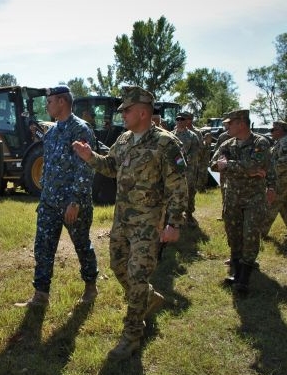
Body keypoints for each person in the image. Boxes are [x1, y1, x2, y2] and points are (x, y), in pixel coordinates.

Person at [72, 86, 188, 360]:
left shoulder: (166, 143)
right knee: (117, 266)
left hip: (149, 224)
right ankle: (147, 298)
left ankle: (132, 335)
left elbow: (178, 185)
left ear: (143, 111)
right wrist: (90, 157)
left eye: (126, 109)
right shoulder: (123, 140)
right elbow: (110, 167)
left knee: (136, 275)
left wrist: (174, 223)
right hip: (122, 219)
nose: (122, 113)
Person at [15, 85, 99, 307]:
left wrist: (75, 202)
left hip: (72, 203)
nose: (47, 105)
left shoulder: (81, 130)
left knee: (82, 245)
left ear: (62, 101)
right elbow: (49, 165)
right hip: (49, 203)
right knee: (43, 248)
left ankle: (91, 287)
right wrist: (43, 192)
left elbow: (86, 168)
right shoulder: (51, 132)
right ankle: (40, 295)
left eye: (49, 101)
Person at [210, 109, 276, 295]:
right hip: (232, 198)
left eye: (230, 123)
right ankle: (237, 272)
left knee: (250, 235)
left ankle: (244, 279)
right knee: (234, 234)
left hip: (254, 198)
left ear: (241, 123)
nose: (227, 126)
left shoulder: (260, 142)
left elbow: (257, 165)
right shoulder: (227, 144)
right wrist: (246, 168)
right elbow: (214, 164)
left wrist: (229, 165)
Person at [260, 121, 287, 240]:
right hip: (283, 179)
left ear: (280, 130)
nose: (271, 132)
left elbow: (285, 162)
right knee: (284, 206)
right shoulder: (281, 142)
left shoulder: (286, 142)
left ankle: (260, 233)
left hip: (283, 180)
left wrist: (269, 172)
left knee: (271, 203)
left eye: (273, 130)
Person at [172, 114, 200, 224]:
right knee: (173, 191)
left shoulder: (192, 136)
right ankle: (174, 215)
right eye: (177, 119)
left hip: (188, 169)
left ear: (186, 121)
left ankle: (189, 214)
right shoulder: (170, 135)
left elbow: (195, 153)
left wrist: (182, 160)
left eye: (182, 119)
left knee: (189, 191)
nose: (179, 121)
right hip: (173, 169)